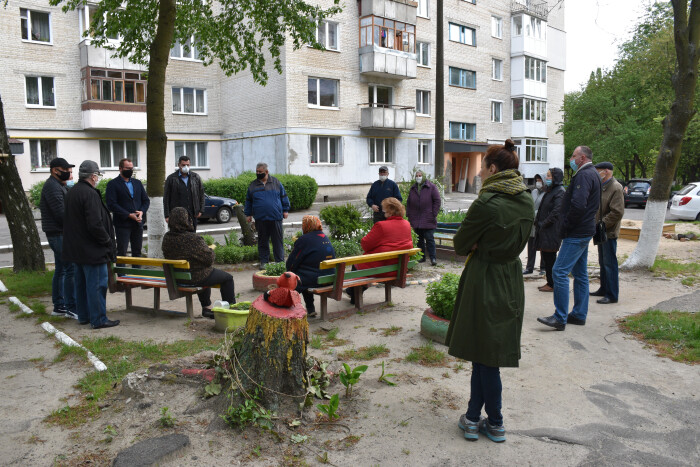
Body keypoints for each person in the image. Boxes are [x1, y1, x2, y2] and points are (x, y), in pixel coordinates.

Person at [446, 139, 533, 444]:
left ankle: (488, 421)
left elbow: (459, 244)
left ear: (493, 168)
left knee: (486, 357)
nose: (479, 172)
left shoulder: (487, 201)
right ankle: (477, 418)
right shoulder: (526, 199)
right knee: (487, 355)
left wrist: (478, 243)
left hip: (484, 277)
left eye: (482, 167)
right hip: (510, 276)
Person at [537, 146, 601, 331]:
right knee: (580, 274)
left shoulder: (583, 175)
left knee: (559, 271)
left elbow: (579, 205)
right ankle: (579, 314)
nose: (571, 159)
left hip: (577, 232)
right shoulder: (593, 173)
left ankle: (559, 317)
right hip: (584, 230)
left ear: (581, 158)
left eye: (573, 156)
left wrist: (565, 225)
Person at [63, 160, 119, 329]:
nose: (97, 179)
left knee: (81, 285)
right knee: (96, 285)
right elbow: (95, 224)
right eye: (97, 176)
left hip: (77, 249)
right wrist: (107, 241)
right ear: (93, 176)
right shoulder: (89, 193)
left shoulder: (72, 192)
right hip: (92, 250)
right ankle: (99, 319)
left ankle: (84, 316)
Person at [162, 207, 236, 319]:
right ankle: (231, 311)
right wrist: (210, 250)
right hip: (194, 277)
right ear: (186, 220)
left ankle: (206, 307)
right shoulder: (192, 239)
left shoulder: (167, 238)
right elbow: (209, 259)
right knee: (227, 278)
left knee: (204, 270)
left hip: (175, 278)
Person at [347, 197, 413, 304]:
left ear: (390, 211)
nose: (382, 211)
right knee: (363, 265)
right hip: (398, 268)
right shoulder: (406, 224)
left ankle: (354, 296)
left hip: (383, 269)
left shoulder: (381, 226)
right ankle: (352, 292)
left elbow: (365, 244)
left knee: (357, 265)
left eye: (384, 209)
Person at [40, 157, 77, 320]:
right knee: (70, 269)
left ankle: (60, 305)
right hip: (58, 233)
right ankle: (69, 307)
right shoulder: (52, 187)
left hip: (60, 233)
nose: (69, 173)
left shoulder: (59, 185)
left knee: (62, 269)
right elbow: (61, 214)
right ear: (55, 170)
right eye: (66, 170)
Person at [286, 215, 336, 318]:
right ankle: (310, 309)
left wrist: (290, 272)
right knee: (304, 276)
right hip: (331, 278)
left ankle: (285, 308)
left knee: (297, 278)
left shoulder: (304, 239)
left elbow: (292, 263)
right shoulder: (324, 237)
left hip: (316, 280)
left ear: (306, 226)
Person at [591, 161, 625, 304]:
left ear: (606, 171)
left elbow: (617, 212)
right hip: (600, 230)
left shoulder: (615, 188)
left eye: (598, 171)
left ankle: (612, 294)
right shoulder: (602, 186)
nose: (597, 174)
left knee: (609, 263)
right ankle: (603, 288)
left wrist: (602, 224)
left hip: (608, 232)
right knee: (602, 262)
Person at [244, 162, 290, 267]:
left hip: (275, 217)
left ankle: (280, 262)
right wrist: (248, 214)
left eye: (260, 172)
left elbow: (284, 196)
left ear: (266, 171)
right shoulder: (253, 185)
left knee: (277, 241)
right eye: (257, 171)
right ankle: (264, 262)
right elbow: (248, 201)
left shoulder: (276, 182)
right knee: (262, 241)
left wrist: (285, 210)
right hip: (261, 218)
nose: (258, 173)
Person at [106, 158, 150, 265]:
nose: (130, 170)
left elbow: (146, 200)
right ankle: (122, 278)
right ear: (120, 168)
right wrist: (128, 215)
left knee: (137, 252)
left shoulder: (137, 183)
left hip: (138, 222)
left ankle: (137, 276)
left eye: (132, 168)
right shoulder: (113, 184)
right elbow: (111, 204)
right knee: (122, 252)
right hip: (122, 224)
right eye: (127, 168)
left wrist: (142, 212)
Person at [534, 168, 566, 292]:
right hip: (545, 230)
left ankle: (552, 283)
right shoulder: (550, 190)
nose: (547, 178)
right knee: (546, 257)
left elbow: (557, 211)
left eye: (549, 176)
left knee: (550, 258)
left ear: (555, 177)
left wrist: (544, 223)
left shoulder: (560, 191)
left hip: (551, 230)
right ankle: (550, 281)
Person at [406, 170, 441, 266]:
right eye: (417, 175)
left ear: (423, 176)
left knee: (429, 239)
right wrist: (409, 214)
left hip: (428, 218)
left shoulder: (431, 187)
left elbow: (437, 201)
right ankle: (421, 257)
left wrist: (434, 213)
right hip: (416, 219)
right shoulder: (413, 188)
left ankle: (433, 258)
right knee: (419, 240)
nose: (418, 177)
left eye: (420, 175)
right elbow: (409, 203)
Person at [164, 155, 204, 230]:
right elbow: (166, 198)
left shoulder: (196, 177)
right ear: (178, 165)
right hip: (176, 215)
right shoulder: (171, 178)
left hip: (192, 214)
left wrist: (201, 210)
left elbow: (201, 194)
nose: (186, 167)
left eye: (187, 165)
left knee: (192, 237)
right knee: (177, 238)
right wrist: (167, 215)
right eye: (183, 165)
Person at [523, 173, 547, 275]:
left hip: (542, 223)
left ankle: (543, 268)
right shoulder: (534, 192)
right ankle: (529, 267)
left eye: (540, 180)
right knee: (531, 245)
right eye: (537, 180)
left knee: (543, 245)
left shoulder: (548, 193)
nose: (538, 182)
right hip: (532, 223)